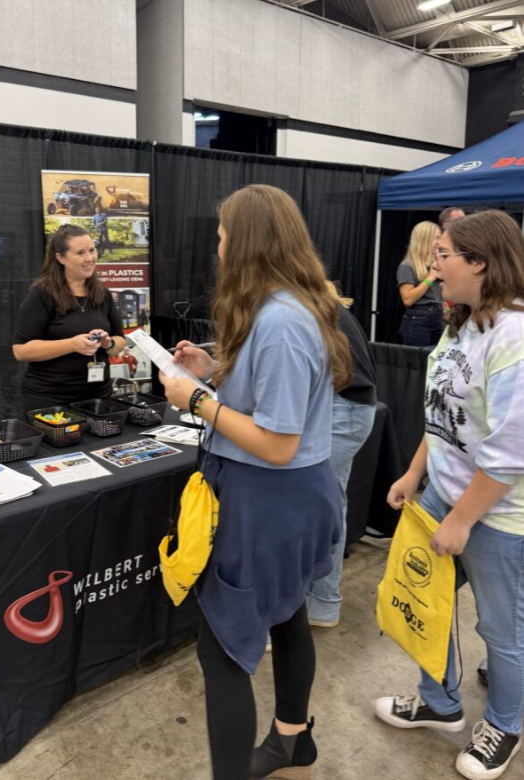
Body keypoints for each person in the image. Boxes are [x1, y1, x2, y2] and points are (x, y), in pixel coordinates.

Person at [160, 184, 352, 780]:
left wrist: (196, 400)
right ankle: (293, 743)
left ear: (246, 242)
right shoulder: (284, 310)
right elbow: (269, 400)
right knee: (286, 615)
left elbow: (278, 440)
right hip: (277, 500)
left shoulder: (281, 321)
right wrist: (214, 372)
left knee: (222, 651)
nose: (216, 249)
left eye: (221, 237)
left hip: (269, 504)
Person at [376, 210, 524, 780]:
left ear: (480, 262)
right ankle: (438, 702)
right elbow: (445, 416)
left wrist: (461, 520)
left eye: (443, 255)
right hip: (445, 495)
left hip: (498, 517)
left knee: (501, 631)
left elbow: (511, 452)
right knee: (421, 604)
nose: (433, 267)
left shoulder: (513, 335)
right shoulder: (460, 323)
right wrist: (417, 473)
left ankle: (506, 725)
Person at [306, 284, 377, 628]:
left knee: (305, 510)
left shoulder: (303, 307)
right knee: (330, 506)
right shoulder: (324, 303)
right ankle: (322, 604)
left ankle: (290, 613)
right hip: (350, 409)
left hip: (341, 410)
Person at [12, 224, 126, 411]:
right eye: (80, 253)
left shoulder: (102, 293)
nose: (89, 258)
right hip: (51, 401)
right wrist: (72, 345)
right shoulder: (42, 294)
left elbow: (119, 339)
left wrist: (108, 343)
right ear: (60, 258)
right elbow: (21, 351)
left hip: (98, 397)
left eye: (92, 250)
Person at [397, 221, 444, 347]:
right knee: (418, 363)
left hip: (438, 318)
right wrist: (430, 278)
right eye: (436, 238)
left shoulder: (435, 264)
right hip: (418, 321)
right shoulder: (408, 266)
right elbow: (407, 299)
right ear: (425, 239)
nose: (439, 243)